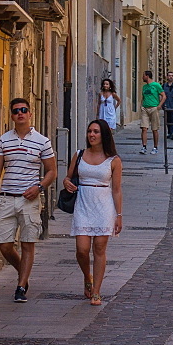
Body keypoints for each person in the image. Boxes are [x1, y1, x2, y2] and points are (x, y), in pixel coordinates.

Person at [0, 98, 56, 303]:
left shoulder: (42, 141)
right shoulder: (4, 140)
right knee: (4, 245)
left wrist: (40, 187)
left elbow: (52, 171)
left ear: (30, 113)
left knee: (27, 243)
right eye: (16, 111)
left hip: (29, 200)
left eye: (24, 110)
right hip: (6, 198)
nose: (20, 113)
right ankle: (22, 272)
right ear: (12, 116)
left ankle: (21, 286)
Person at [63, 119, 122, 306]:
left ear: (104, 134)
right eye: (90, 131)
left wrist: (118, 215)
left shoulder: (114, 160)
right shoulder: (79, 155)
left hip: (104, 205)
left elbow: (117, 190)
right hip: (83, 204)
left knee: (99, 249)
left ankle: (96, 291)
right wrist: (66, 182)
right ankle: (87, 276)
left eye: (96, 131)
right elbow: (68, 177)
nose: (92, 135)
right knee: (81, 249)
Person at [140, 69, 165, 155]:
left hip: (154, 108)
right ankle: (144, 146)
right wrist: (141, 105)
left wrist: (159, 105)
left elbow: (163, 96)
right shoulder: (144, 87)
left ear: (147, 76)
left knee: (154, 129)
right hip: (145, 108)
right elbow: (143, 97)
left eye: (143, 75)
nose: (142, 77)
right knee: (144, 128)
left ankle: (155, 147)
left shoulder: (156, 85)